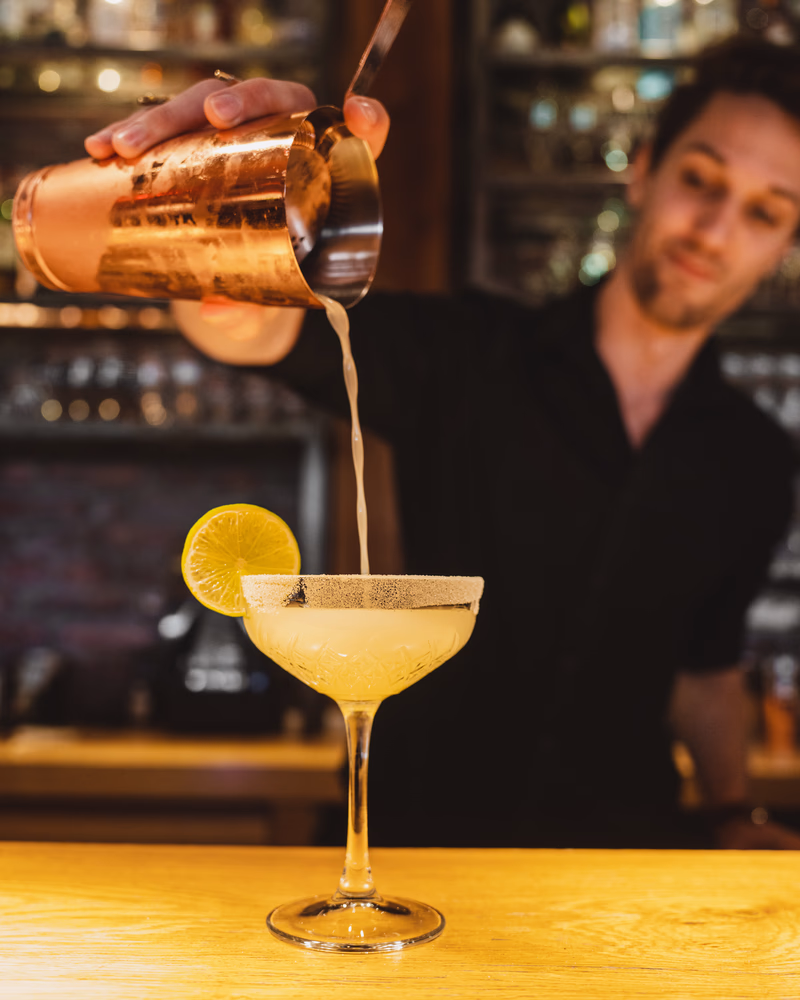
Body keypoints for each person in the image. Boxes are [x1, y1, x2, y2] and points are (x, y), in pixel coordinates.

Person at [86, 37, 800, 849]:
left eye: (765, 210)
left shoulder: (754, 459)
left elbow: (704, 673)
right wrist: (224, 212)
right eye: (701, 179)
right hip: (412, 853)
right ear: (643, 171)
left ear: (786, 241)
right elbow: (253, 332)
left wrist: (734, 814)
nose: (714, 229)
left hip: (623, 873)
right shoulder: (472, 356)